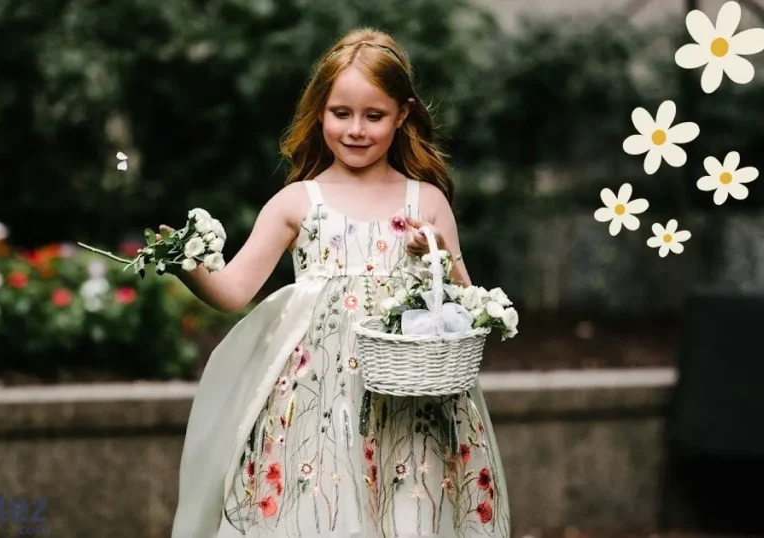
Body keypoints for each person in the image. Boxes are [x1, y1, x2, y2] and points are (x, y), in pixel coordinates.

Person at [170, 27, 510, 538]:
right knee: (324, 514)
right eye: (340, 114)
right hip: (317, 405)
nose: (356, 129)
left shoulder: (426, 203)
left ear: (403, 114)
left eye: (374, 116)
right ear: (320, 112)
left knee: (409, 513)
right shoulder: (297, 204)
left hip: (409, 407)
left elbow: (466, 306)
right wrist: (186, 262)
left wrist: (438, 253)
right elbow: (234, 291)